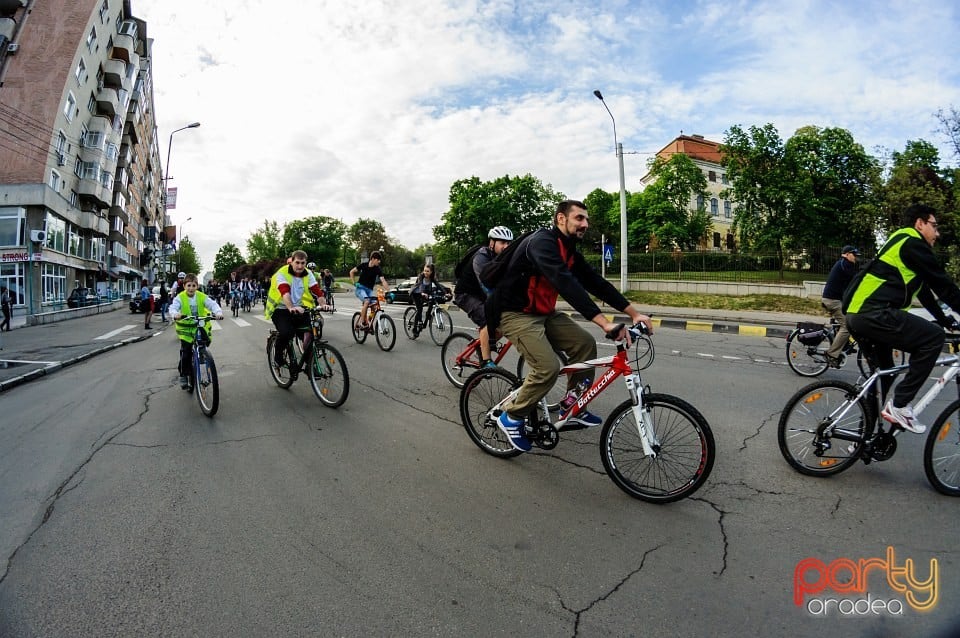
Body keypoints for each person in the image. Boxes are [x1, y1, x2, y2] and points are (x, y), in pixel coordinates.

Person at [491, 200, 653, 451]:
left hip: (543, 313)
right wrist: (604, 323)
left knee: (585, 345)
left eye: (586, 219)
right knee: (547, 368)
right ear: (560, 219)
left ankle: (573, 404)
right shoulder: (542, 243)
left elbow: (595, 282)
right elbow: (565, 282)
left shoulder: (568, 251)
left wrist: (633, 313)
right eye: (579, 218)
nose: (585, 224)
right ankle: (511, 416)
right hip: (515, 314)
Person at [844, 204, 960, 434]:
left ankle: (864, 436)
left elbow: (925, 292)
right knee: (933, 338)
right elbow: (943, 284)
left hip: (859, 314)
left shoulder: (903, 244)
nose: (937, 234)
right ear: (920, 223)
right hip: (873, 312)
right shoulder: (912, 242)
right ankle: (899, 405)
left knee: (884, 373)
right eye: (934, 226)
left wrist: (945, 319)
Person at [453, 225, 514, 366]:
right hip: (465, 294)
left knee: (506, 320)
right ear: (492, 243)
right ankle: (486, 362)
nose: (506, 246)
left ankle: (484, 343)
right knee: (487, 319)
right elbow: (486, 285)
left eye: (508, 243)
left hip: (480, 295)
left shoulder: (503, 257)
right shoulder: (481, 257)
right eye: (502, 242)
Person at [265, 250, 329, 372]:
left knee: (309, 335)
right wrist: (290, 307)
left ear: (306, 263)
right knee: (287, 333)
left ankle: (311, 366)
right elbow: (285, 292)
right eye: (297, 262)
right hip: (281, 309)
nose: (300, 266)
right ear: (292, 262)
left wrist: (324, 304)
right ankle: (278, 357)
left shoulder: (308, 273)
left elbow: (316, 290)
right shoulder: (282, 273)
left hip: (299, 308)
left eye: (303, 263)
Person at [169, 273, 223, 389]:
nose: (191, 288)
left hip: (199, 326)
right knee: (186, 352)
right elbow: (173, 307)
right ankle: (183, 375)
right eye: (188, 285)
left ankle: (202, 355)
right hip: (186, 330)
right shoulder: (180, 297)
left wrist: (218, 312)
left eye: (193, 286)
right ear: (184, 286)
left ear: (197, 286)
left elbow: (212, 304)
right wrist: (175, 314)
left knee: (205, 342)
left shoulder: (201, 296)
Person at [821, 245, 859, 367]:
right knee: (847, 326)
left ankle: (844, 344)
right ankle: (831, 354)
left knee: (849, 317)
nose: (856, 258)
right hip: (832, 301)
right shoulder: (845, 264)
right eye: (854, 255)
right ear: (847, 254)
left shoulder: (843, 264)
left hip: (835, 299)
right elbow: (856, 280)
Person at [349, 251, 389, 330]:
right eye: (378, 260)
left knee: (375, 306)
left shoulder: (377, 269)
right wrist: (354, 283)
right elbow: (351, 272)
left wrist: (389, 291)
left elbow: (383, 280)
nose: (379, 262)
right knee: (367, 301)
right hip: (360, 288)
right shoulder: (363, 265)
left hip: (369, 290)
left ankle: (368, 322)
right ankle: (361, 323)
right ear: (373, 259)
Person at [409, 263, 450, 337]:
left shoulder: (432, 278)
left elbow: (438, 285)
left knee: (432, 301)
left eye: (427, 271)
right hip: (417, 293)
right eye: (424, 271)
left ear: (431, 272)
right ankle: (414, 329)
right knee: (419, 310)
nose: (425, 272)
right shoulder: (421, 276)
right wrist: (422, 293)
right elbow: (421, 285)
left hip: (425, 294)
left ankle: (427, 317)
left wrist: (445, 293)